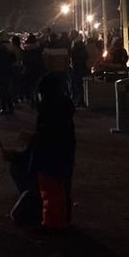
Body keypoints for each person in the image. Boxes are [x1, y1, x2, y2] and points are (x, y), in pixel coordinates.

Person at [29, 73, 76, 230]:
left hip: (50, 152)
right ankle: (62, 219)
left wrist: (33, 142)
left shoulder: (49, 109)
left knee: (51, 190)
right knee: (61, 187)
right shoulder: (64, 106)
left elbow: (46, 134)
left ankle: (52, 223)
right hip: (64, 149)